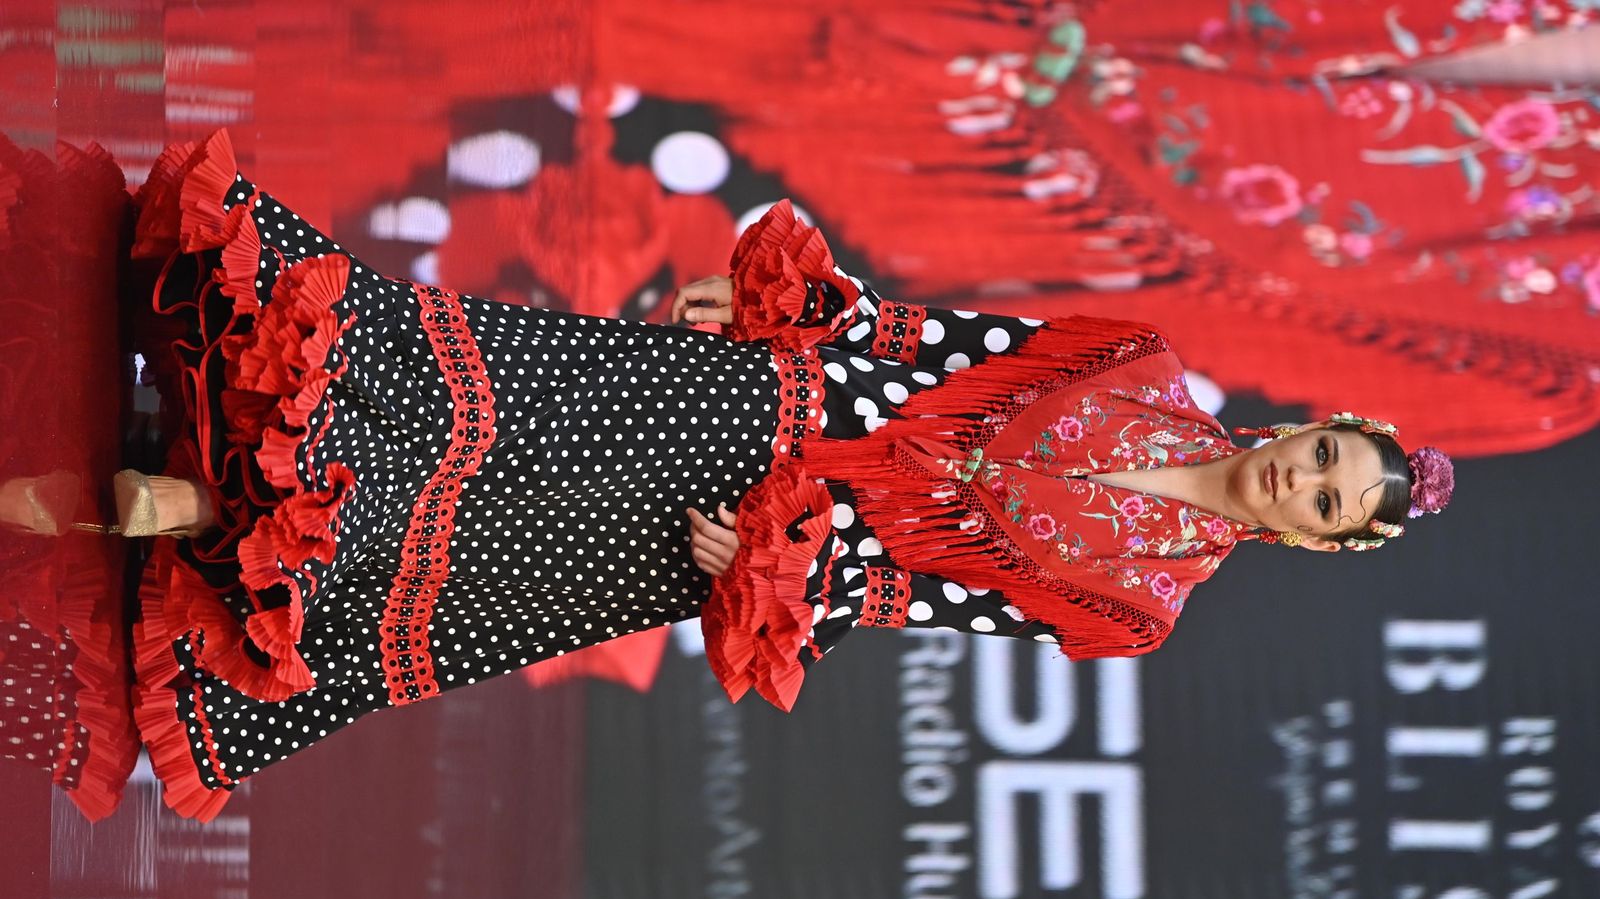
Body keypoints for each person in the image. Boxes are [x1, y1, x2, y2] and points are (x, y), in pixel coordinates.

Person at [123, 129, 1452, 821]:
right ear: (1317, 424)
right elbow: (957, 340)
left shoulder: (1141, 608)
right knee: (520, 390)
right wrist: (804, 312)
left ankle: (232, 530)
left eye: (1328, 501)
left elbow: (933, 603)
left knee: (505, 571)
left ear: (1323, 542)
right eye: (1328, 456)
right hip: (793, 392)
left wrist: (786, 577)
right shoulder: (1145, 361)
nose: (1305, 479)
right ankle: (248, 400)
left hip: (787, 529)